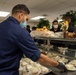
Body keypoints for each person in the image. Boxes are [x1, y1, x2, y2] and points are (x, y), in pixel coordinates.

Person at [0, 4, 67, 75]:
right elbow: (39, 57)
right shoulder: (20, 31)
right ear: (21, 15)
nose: (26, 22)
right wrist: (57, 64)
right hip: (7, 71)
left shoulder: (2, 25)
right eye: (26, 19)